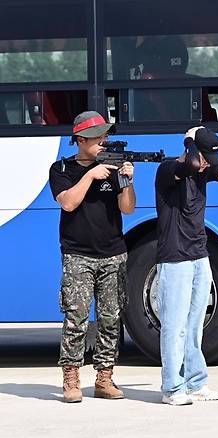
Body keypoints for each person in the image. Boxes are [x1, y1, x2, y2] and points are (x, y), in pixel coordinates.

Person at [155, 126, 218, 405]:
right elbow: (193, 162)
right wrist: (189, 138)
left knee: (195, 325)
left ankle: (196, 383)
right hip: (174, 258)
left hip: (199, 256)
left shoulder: (203, 172)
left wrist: (214, 140)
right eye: (205, 157)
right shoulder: (170, 169)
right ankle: (172, 388)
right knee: (174, 325)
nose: (207, 164)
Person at [48, 111, 136, 403]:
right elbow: (68, 203)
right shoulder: (61, 169)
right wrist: (89, 175)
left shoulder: (112, 168)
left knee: (111, 319)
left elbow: (128, 209)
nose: (104, 141)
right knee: (76, 318)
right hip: (78, 255)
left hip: (113, 254)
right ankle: (71, 380)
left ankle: (104, 378)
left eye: (105, 136)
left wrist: (127, 180)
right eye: (98, 137)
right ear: (81, 140)